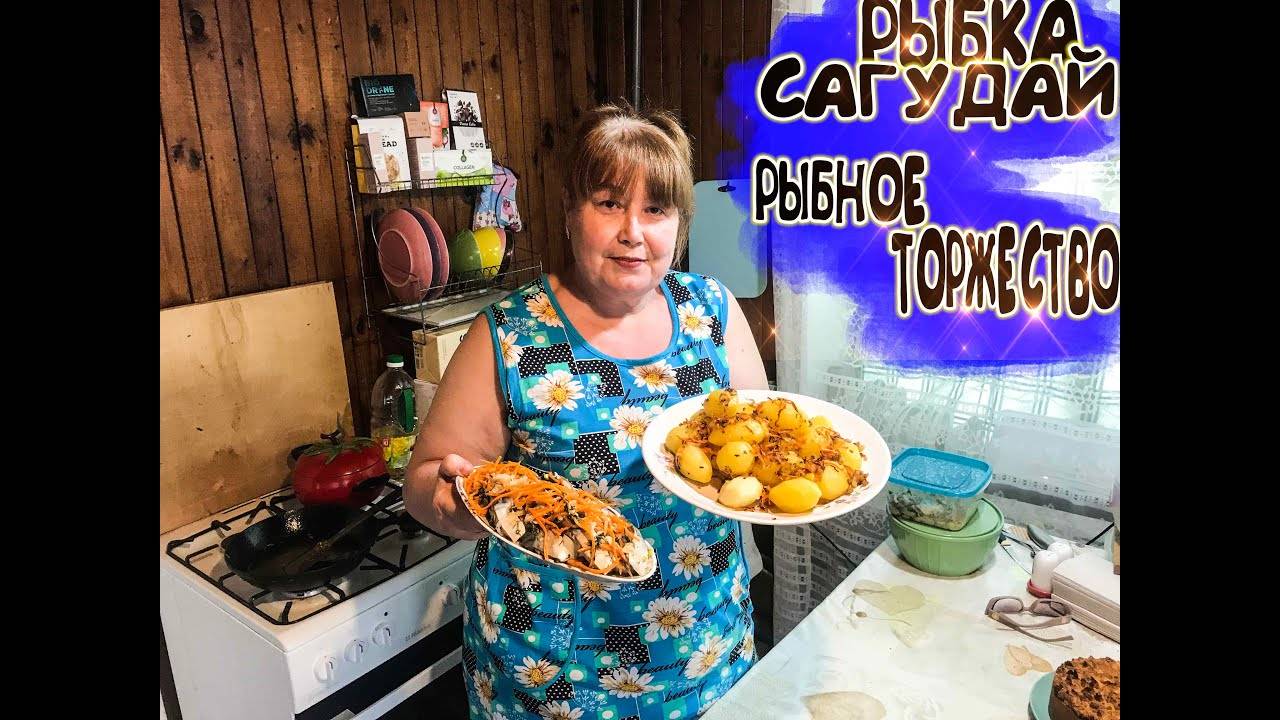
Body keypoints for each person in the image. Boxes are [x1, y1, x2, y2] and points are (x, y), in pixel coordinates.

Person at [405, 101, 769, 720]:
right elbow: (424, 480)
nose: (633, 231)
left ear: (679, 224)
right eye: (609, 203)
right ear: (571, 213)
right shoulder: (509, 335)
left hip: (704, 653)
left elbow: (756, 446)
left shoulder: (712, 311)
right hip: (553, 678)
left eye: (656, 209)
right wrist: (450, 505)